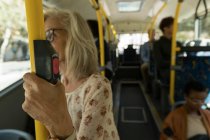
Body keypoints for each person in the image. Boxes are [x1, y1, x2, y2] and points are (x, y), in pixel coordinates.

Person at [22, 8, 119, 140]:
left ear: (74, 36)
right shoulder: (55, 83)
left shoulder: (97, 86)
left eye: (49, 35)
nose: (44, 44)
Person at [153, 16, 181, 84]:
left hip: (177, 68)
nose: (176, 27)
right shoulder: (158, 44)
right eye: (173, 25)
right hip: (165, 70)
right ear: (165, 28)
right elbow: (160, 63)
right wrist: (176, 64)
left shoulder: (178, 44)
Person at [140, 29, 155, 93]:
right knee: (144, 67)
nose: (152, 35)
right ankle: (147, 85)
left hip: (158, 62)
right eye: (151, 34)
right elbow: (143, 56)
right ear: (148, 35)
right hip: (148, 62)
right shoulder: (145, 45)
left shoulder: (157, 43)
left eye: (153, 33)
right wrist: (150, 61)